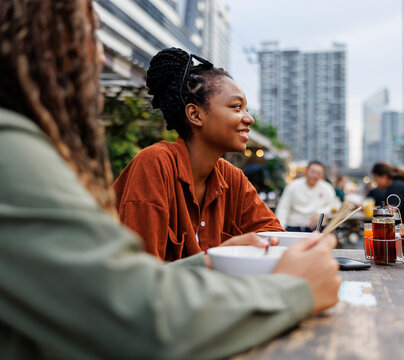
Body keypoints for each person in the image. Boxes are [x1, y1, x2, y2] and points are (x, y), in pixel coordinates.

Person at [0, 1, 342, 359]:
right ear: (36, 36)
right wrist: (293, 291)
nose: (98, 56)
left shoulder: (231, 177)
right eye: (86, 33)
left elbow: (123, 291)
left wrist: (213, 260)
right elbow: (135, 312)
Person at [113, 48, 283, 261]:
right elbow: (141, 279)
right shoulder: (155, 165)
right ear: (195, 114)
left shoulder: (233, 180)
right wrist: (218, 258)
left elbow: (274, 240)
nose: (249, 119)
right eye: (236, 107)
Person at [276, 161, 341, 231]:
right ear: (306, 172)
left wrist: (322, 213)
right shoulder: (293, 186)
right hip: (294, 227)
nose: (315, 175)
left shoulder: (327, 188)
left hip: (318, 229)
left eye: (319, 173)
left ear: (322, 175)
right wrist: (281, 229)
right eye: (313, 172)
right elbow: (283, 208)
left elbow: (335, 206)